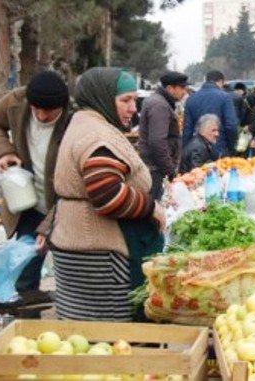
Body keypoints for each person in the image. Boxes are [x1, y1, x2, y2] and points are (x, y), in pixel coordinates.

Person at [48, 68, 165, 321]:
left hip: (78, 246)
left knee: (84, 340)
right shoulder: (97, 135)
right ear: (101, 96)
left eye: (134, 99)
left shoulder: (84, 122)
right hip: (101, 258)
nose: (133, 108)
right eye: (125, 100)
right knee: (110, 340)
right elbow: (107, 194)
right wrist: (151, 208)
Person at [0, 70, 70, 296]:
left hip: (64, 206)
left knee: (69, 275)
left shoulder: (75, 119)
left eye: (48, 112)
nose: (40, 116)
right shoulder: (17, 101)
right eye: (35, 109)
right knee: (25, 276)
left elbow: (74, 184)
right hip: (27, 202)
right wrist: (4, 152)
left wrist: (48, 227)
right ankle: (26, 322)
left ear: (62, 106)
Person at [138, 71, 188, 199]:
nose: (184, 91)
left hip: (156, 167)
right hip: (155, 168)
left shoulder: (160, 102)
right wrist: (170, 171)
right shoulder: (160, 105)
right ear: (170, 88)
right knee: (154, 205)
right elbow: (157, 142)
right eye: (181, 88)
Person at [183, 70, 239, 158]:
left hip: (198, 149)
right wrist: (232, 147)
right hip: (220, 147)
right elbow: (231, 125)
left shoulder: (191, 99)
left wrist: (186, 149)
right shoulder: (225, 97)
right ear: (221, 82)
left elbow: (187, 129)